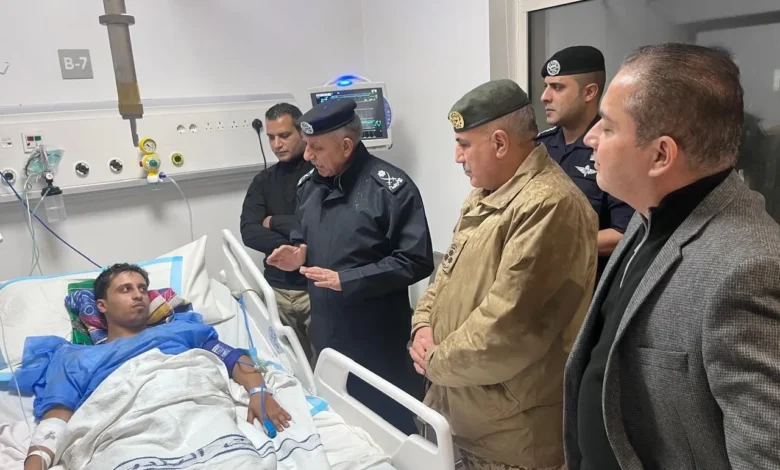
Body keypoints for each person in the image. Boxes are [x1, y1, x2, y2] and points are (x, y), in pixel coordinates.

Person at [563, 43, 780, 470]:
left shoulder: (750, 268)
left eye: (608, 127)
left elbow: (765, 455)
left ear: (661, 155)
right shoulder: (649, 214)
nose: (590, 138)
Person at [409, 79, 598, 470]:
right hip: (463, 410)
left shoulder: (549, 205)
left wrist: (435, 362)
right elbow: (445, 276)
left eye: (463, 144)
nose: (457, 157)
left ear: (499, 143)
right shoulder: (487, 194)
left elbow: (508, 328)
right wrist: (423, 324)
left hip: (511, 436)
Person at [19, 263, 291, 470]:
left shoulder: (181, 330)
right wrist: (36, 463)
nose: (138, 295)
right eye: (126, 289)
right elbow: (56, 419)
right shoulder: (74, 358)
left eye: (142, 289)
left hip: (199, 417)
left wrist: (258, 391)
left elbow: (232, 358)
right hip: (125, 438)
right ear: (101, 305)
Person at [266, 98, 434, 434]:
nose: (307, 155)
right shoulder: (309, 186)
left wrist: (348, 279)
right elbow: (303, 232)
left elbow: (416, 259)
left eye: (316, 147)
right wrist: (299, 253)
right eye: (306, 145)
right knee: (342, 426)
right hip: (327, 334)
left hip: (377, 342)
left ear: (346, 146)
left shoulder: (391, 190)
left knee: (392, 430)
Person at [536, 46, 633, 284]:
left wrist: (556, 245)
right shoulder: (539, 147)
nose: (545, 96)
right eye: (546, 86)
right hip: (537, 283)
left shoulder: (612, 150)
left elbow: (625, 234)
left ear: (589, 92)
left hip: (586, 286)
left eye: (557, 87)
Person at [240, 103, 316, 364]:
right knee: (291, 368)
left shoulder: (321, 174)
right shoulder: (263, 181)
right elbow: (249, 232)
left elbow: (322, 227)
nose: (276, 145)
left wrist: (273, 221)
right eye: (271, 137)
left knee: (329, 366)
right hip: (277, 291)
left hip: (316, 288)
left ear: (302, 132)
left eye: (284, 135)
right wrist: (297, 243)